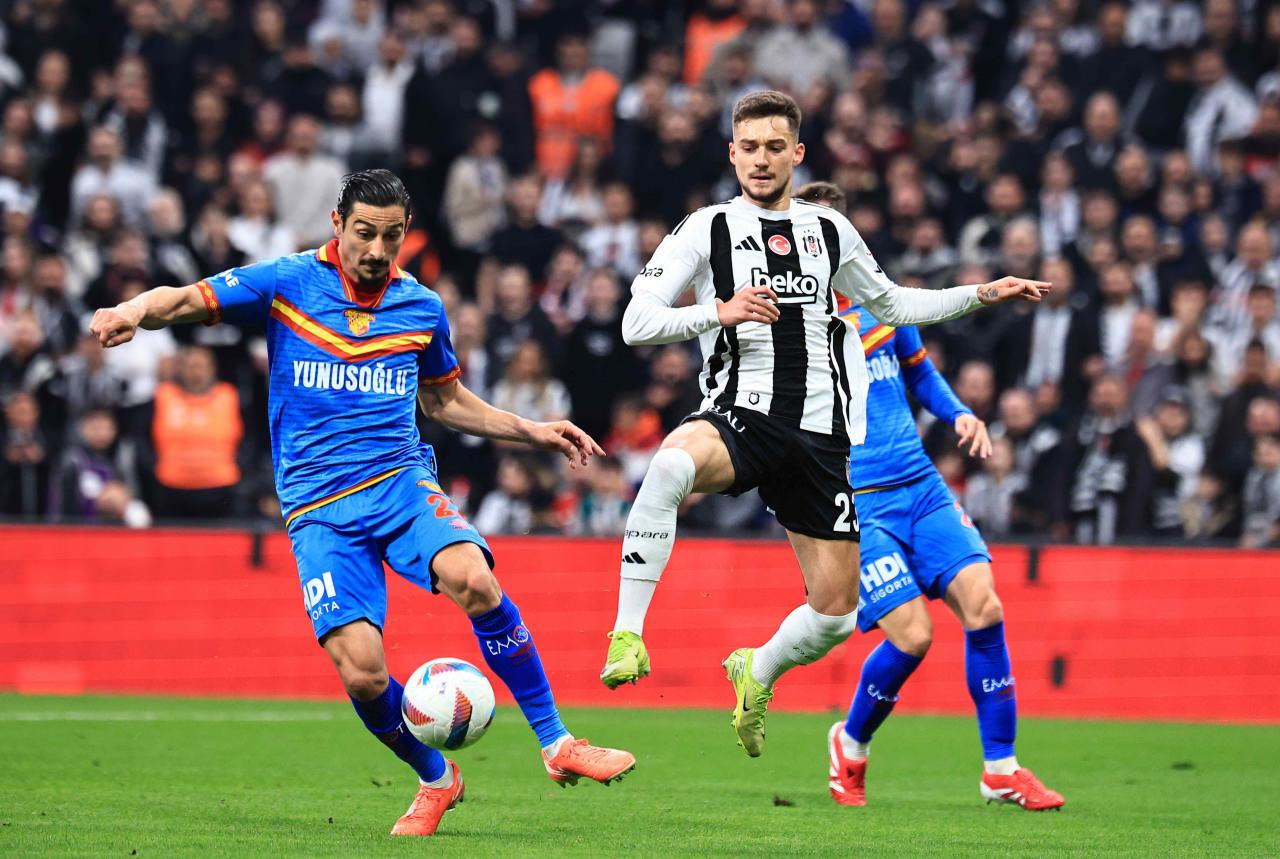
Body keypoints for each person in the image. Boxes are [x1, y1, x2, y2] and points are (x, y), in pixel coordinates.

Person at [90, 170, 634, 837]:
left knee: (473, 577)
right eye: (365, 233)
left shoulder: (421, 308)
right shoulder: (287, 283)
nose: (377, 249)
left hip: (400, 482)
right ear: (337, 224)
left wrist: (531, 430)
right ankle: (436, 776)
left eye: (392, 236)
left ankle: (556, 742)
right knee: (363, 674)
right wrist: (131, 312)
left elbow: (444, 401)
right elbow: (184, 299)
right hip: (317, 508)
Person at [599, 92, 1051, 759]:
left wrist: (982, 293)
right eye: (749, 147)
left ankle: (756, 670)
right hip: (741, 416)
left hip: (819, 439)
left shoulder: (829, 231)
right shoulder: (705, 228)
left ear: (797, 154)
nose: (761, 159)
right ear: (732, 153)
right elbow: (636, 323)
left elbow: (893, 304)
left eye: (774, 146)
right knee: (670, 464)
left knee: (836, 617)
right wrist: (718, 312)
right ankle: (628, 632)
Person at [796, 179, 1064, 811]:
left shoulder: (881, 301)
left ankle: (1001, 769)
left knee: (985, 608)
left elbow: (919, 373)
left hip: (920, 484)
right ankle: (850, 743)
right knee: (913, 638)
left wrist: (960, 414)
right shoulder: (790, 326)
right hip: (860, 502)